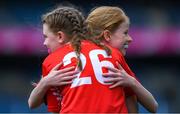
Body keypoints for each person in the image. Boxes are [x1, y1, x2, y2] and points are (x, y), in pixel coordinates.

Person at [28, 6, 133, 113]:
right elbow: (132, 97)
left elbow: (37, 105)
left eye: (45, 37)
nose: (44, 43)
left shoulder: (53, 62)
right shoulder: (112, 53)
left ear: (60, 36)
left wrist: (44, 83)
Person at [86, 6, 158, 112]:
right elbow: (153, 107)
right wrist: (132, 82)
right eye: (125, 33)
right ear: (107, 35)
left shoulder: (75, 56)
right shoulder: (114, 58)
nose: (130, 39)